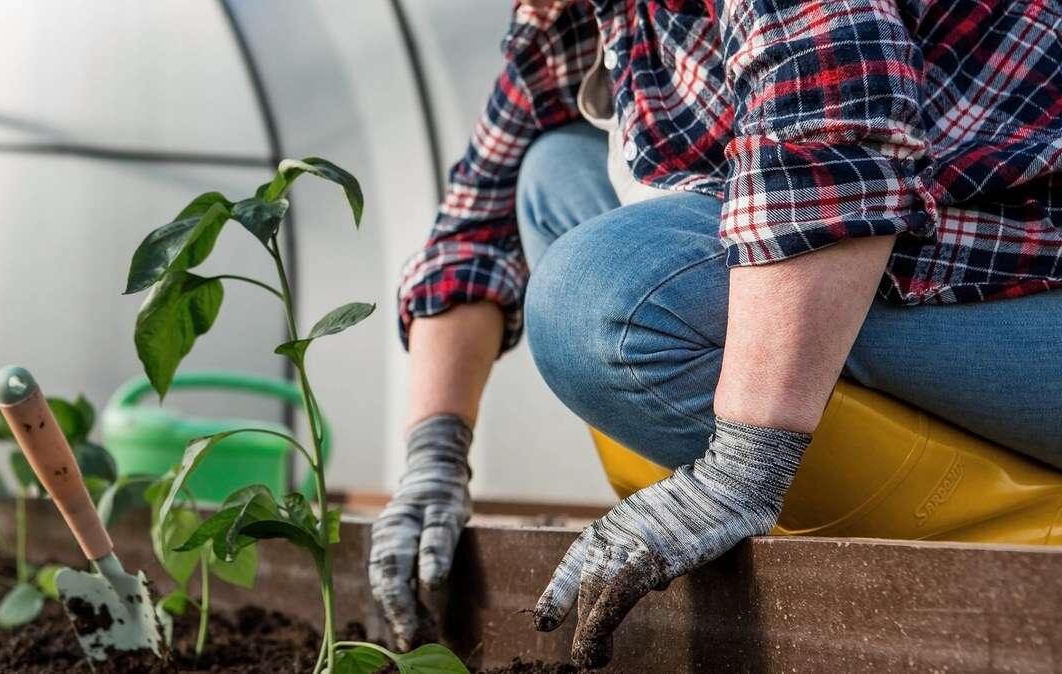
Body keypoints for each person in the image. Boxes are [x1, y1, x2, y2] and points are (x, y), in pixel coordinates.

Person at [368, 0, 1062, 668]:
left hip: (1027, 289)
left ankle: (986, 515)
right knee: (552, 169)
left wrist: (743, 470)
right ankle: (738, 477)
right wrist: (433, 463)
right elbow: (471, 231)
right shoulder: (568, 13)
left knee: (601, 302)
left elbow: (829, 119)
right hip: (908, 248)